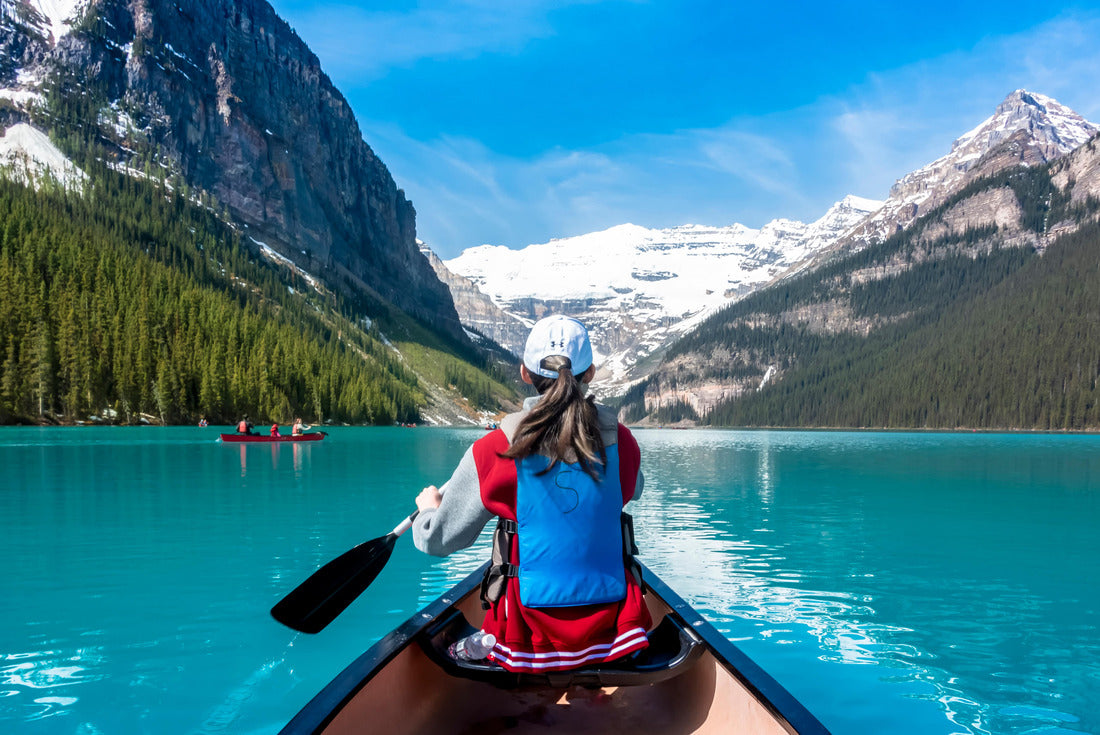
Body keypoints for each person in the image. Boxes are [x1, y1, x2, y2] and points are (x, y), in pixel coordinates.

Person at [412, 315, 650, 673]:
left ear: (525, 373)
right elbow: (635, 487)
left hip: (524, 640)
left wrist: (428, 513)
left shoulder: (498, 448)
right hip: (616, 636)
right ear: (590, 373)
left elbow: (438, 541)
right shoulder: (623, 443)